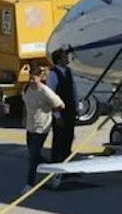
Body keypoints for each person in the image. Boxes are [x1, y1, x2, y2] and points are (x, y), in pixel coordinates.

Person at [21, 64, 64, 194]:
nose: (31, 81)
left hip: (41, 127)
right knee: (34, 155)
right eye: (30, 78)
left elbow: (60, 105)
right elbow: (25, 103)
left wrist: (52, 114)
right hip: (30, 126)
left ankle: (30, 183)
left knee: (33, 157)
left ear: (40, 77)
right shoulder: (27, 88)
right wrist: (24, 117)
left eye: (34, 78)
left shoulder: (46, 92)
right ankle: (54, 170)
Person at [47, 48, 79, 169]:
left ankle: (67, 165)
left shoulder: (69, 72)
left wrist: (77, 107)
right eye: (65, 56)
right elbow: (51, 96)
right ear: (59, 59)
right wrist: (57, 116)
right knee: (59, 139)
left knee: (69, 138)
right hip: (60, 112)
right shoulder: (53, 74)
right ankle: (56, 166)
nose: (67, 58)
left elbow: (73, 90)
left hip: (70, 110)